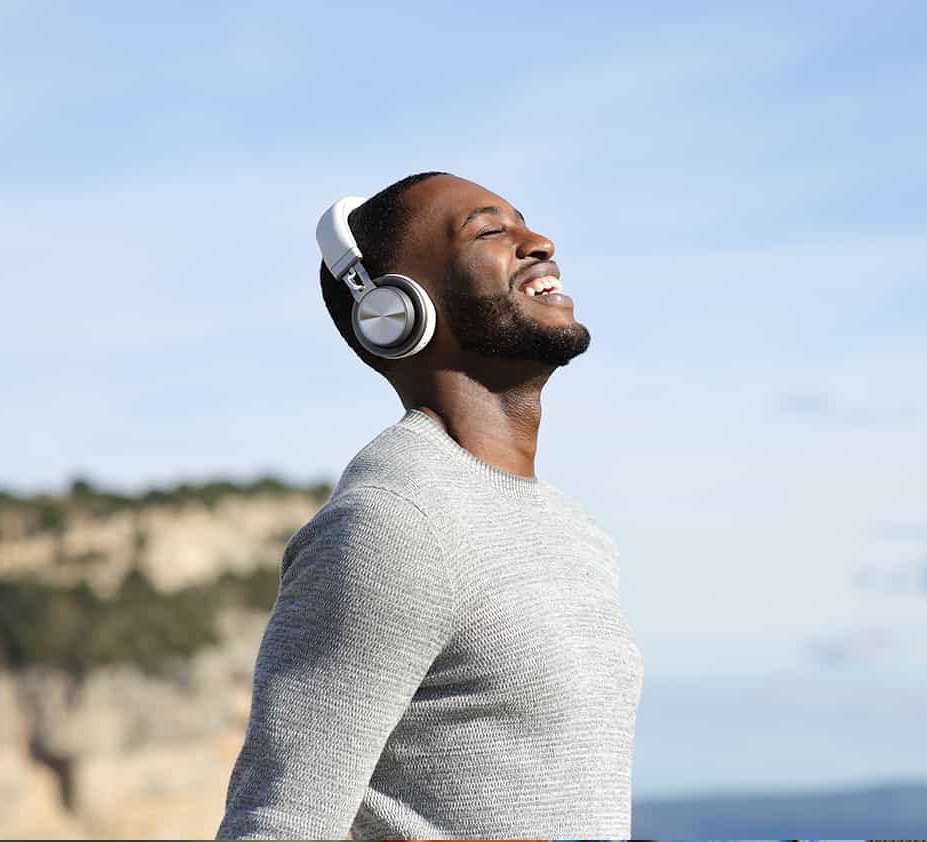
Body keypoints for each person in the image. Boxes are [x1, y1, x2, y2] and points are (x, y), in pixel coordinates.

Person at [215, 172, 644, 840]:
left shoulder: (576, 531)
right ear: (392, 311)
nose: (540, 242)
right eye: (490, 230)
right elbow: (275, 827)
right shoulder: (392, 524)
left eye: (524, 222)